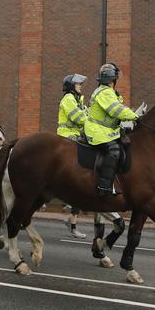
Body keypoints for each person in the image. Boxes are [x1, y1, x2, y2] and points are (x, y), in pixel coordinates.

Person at [83, 63, 139, 195]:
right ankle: (104, 186)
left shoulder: (108, 92)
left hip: (106, 129)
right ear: (113, 79)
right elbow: (116, 110)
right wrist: (136, 117)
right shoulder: (105, 92)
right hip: (97, 130)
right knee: (114, 150)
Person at [58, 73, 89, 238]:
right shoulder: (68, 99)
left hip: (78, 136)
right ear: (71, 86)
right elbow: (79, 118)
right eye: (78, 84)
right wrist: (94, 122)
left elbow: (87, 114)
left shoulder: (79, 100)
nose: (80, 86)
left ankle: (72, 219)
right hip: (67, 136)